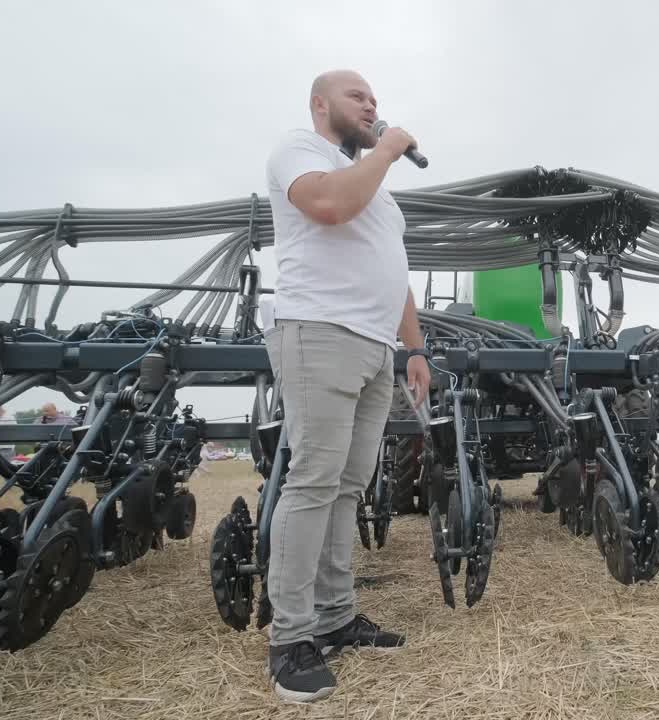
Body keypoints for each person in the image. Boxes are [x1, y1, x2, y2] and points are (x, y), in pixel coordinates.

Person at [262, 69, 430, 704]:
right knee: (313, 479)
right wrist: (387, 148)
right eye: (358, 96)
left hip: (374, 344)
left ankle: (335, 616)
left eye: (375, 99)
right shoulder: (298, 151)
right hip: (319, 331)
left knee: (347, 485)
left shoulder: (378, 192)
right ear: (320, 103)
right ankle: (291, 637)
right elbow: (327, 206)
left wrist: (413, 347)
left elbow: (396, 273)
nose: (371, 105)